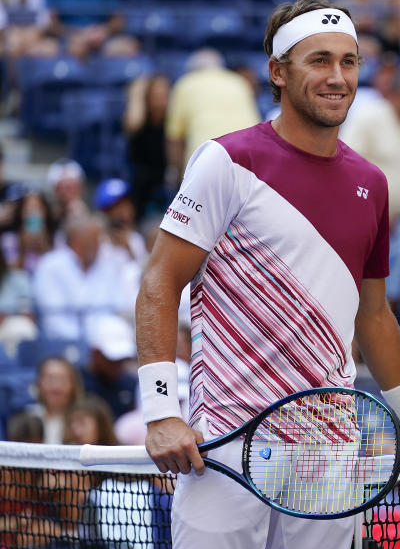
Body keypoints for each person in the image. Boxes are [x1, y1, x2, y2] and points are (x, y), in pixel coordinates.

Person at [135, 0, 400, 549]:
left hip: (328, 453)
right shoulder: (225, 160)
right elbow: (160, 280)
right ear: (278, 71)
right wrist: (160, 410)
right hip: (225, 447)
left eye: (349, 61)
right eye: (319, 60)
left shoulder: (373, 183)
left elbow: (373, 317)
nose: (337, 77)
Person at [340, 71, 400, 309]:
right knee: (358, 297)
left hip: (397, 225)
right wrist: (372, 211)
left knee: (392, 299)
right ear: (394, 94)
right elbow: (345, 166)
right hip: (365, 221)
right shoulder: (369, 118)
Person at [32, 213, 139, 341]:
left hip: (106, 342)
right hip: (61, 343)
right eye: (95, 239)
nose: (99, 245)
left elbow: (120, 306)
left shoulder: (106, 267)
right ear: (77, 241)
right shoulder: (50, 265)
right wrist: (84, 343)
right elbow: (52, 318)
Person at [164, 47, 261, 182]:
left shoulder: (186, 83)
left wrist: (176, 175)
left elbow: (175, 138)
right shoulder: (239, 82)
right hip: (250, 158)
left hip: (206, 160)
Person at [124, 73, 171, 221]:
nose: (160, 101)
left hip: (165, 179)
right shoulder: (140, 119)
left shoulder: (172, 120)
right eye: (156, 96)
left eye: (164, 96)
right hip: (141, 182)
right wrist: (137, 93)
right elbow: (132, 124)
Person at [25, 356, 84, 444]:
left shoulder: (83, 421)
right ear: (38, 383)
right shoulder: (27, 417)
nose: (56, 386)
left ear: (73, 385)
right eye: (50, 379)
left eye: (62, 379)